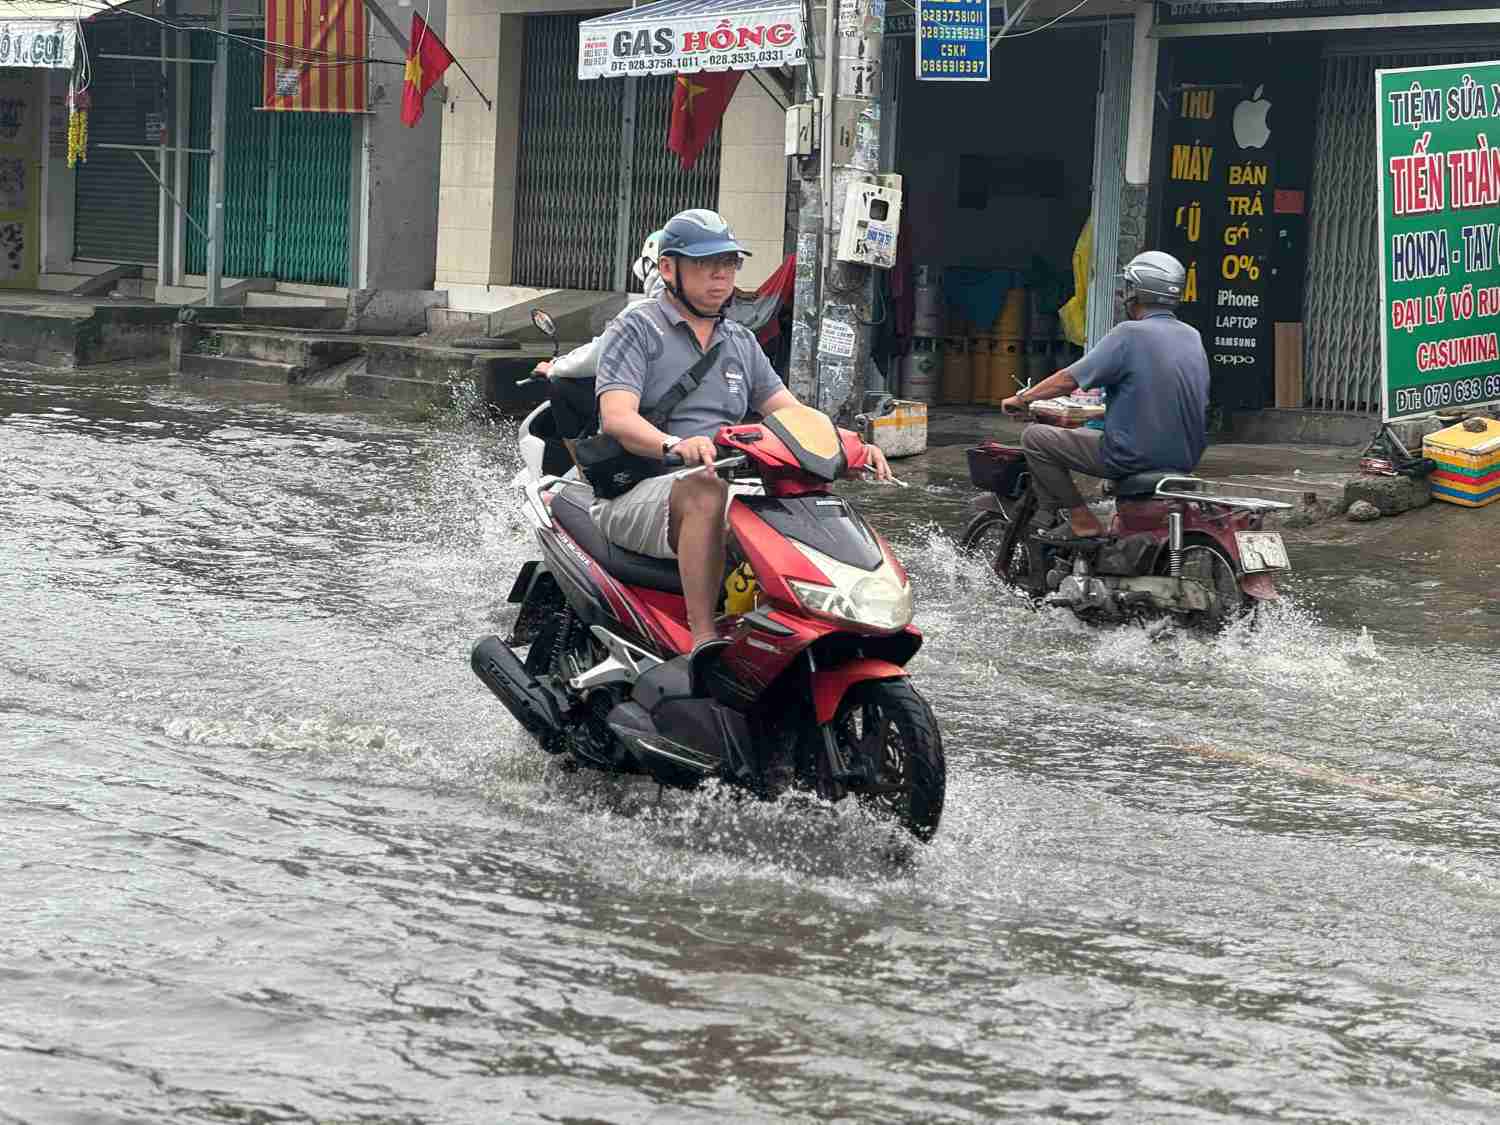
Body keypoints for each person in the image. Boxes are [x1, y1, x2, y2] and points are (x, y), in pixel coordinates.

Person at [592, 208, 893, 672]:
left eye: (729, 264)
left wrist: (849, 443)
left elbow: (791, 413)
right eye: (705, 264)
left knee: (806, 504)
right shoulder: (636, 328)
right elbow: (616, 418)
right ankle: (703, 637)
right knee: (705, 490)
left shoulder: (740, 341)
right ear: (668, 269)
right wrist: (675, 446)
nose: (720, 275)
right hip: (642, 487)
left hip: (722, 481)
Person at [1001, 250, 1209, 543]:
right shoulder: (1192, 336)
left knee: (1035, 438)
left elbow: (1067, 380)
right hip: (1185, 458)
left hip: (1133, 457)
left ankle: (1081, 519)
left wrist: (1023, 398)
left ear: (1135, 292)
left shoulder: (1128, 334)